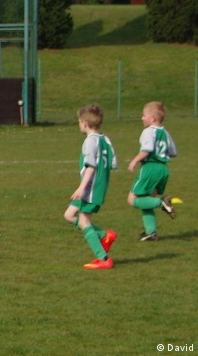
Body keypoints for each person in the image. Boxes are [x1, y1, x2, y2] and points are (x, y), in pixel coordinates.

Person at [64, 104, 118, 270]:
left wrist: (82, 187)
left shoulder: (89, 141)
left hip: (90, 188)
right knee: (69, 215)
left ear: (85, 123)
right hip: (98, 185)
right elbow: (114, 163)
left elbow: (91, 166)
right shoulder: (105, 139)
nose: (79, 124)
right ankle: (103, 235)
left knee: (84, 221)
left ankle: (103, 258)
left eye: (79, 121)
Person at [127, 101, 180, 242]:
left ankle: (161, 202)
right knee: (146, 199)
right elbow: (173, 152)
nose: (142, 118)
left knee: (132, 199)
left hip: (150, 168)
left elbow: (147, 149)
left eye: (144, 115)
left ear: (152, 118)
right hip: (163, 169)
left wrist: (134, 160)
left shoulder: (148, 131)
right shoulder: (165, 132)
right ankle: (151, 232)